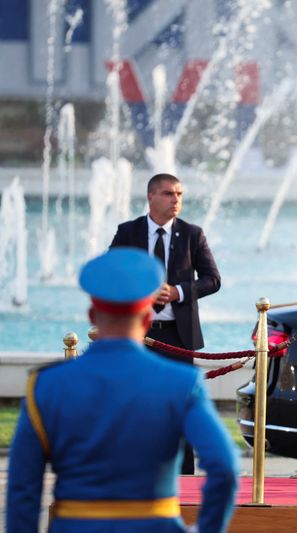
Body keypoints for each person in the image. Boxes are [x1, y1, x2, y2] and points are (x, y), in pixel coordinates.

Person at [6, 248, 238, 532]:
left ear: (92, 313)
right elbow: (224, 469)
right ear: (147, 319)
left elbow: (22, 490)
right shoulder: (181, 382)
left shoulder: (47, 385)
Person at [110, 173, 221, 474]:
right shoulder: (128, 232)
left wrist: (179, 292)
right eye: (169, 194)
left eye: (179, 194)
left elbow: (213, 279)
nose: (176, 200)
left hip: (178, 338)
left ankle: (184, 478)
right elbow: (111, 274)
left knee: (181, 408)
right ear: (151, 197)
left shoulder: (192, 234)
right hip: (137, 336)